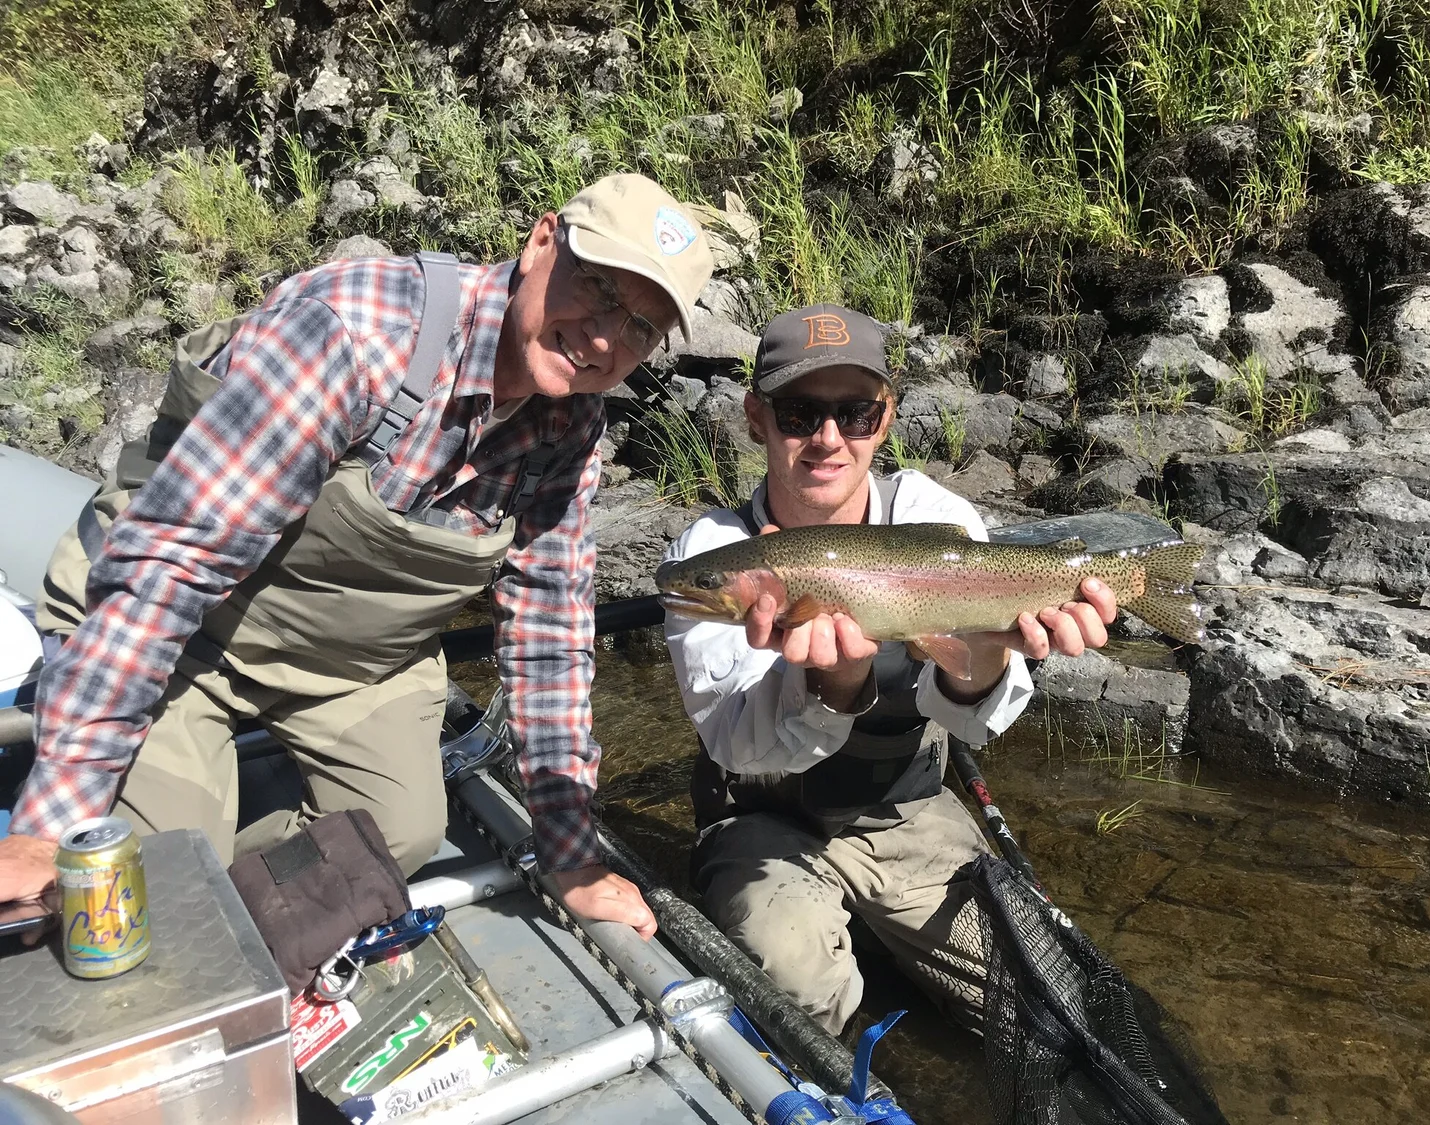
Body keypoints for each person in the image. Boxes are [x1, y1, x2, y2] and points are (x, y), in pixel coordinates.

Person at [0, 172, 713, 939]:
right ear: (542, 241)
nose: (607, 337)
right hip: (194, 633)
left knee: (397, 834)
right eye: (601, 289)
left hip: (349, 661)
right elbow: (169, 568)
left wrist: (570, 854)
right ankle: (184, 864)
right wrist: (55, 823)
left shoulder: (573, 427)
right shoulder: (359, 332)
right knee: (154, 866)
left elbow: (548, 639)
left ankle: (241, 910)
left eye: (642, 326)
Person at [660, 304, 1118, 1033]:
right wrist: (833, 685)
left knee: (1044, 1002)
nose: (828, 439)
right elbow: (734, 743)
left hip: (904, 810)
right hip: (765, 828)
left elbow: (976, 714)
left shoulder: (934, 516)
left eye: (856, 413)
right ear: (756, 417)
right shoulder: (715, 554)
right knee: (793, 985)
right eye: (801, 413)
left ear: (887, 416)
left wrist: (997, 645)